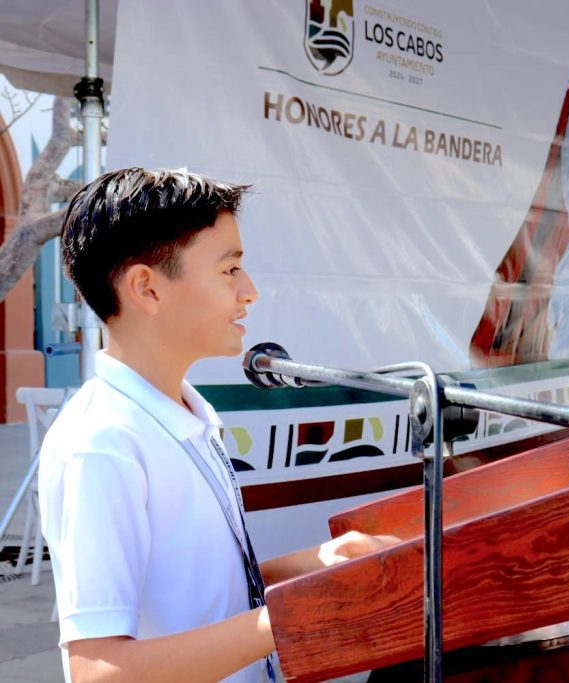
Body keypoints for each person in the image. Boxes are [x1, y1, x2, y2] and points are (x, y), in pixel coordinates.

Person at [39, 168, 398, 682]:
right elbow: (100, 671)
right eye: (230, 269)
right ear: (147, 288)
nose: (250, 291)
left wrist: (319, 563)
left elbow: (198, 597)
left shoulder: (187, 414)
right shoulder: (102, 444)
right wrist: (291, 615)